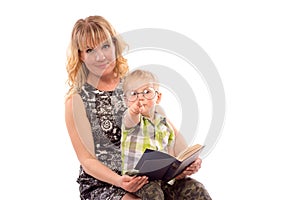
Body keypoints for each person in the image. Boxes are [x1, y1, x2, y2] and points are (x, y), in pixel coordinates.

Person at [65, 15, 211, 200]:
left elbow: (164, 126)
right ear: (80, 55)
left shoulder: (134, 84)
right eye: (90, 50)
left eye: (106, 46)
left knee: (196, 191)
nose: (100, 56)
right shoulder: (77, 100)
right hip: (106, 182)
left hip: (150, 176)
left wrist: (185, 162)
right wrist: (120, 181)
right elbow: (87, 160)